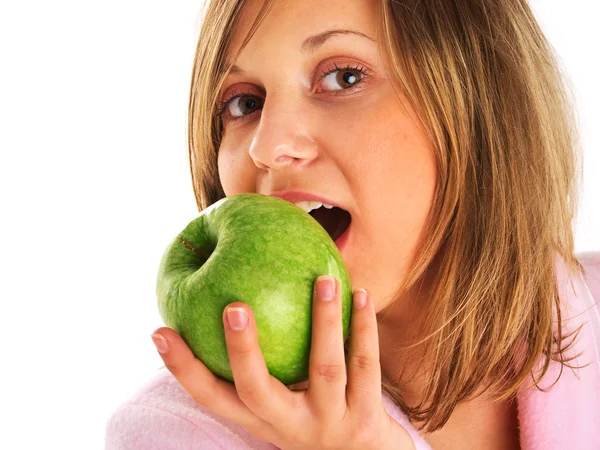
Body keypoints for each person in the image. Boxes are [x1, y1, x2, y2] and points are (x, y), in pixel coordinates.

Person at [105, 0, 600, 448]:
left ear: (481, 102)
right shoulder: (179, 435)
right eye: (244, 103)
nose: (266, 145)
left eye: (343, 77)